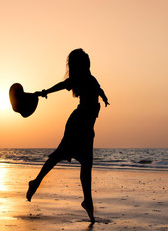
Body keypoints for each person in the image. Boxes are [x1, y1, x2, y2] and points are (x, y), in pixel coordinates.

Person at [26, 48, 109, 223]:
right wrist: (45, 92)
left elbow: (99, 89)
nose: (88, 62)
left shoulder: (91, 78)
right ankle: (36, 182)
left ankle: (87, 201)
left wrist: (104, 97)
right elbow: (62, 85)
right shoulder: (79, 79)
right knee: (62, 155)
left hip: (87, 127)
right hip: (78, 124)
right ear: (80, 64)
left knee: (85, 164)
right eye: (85, 60)